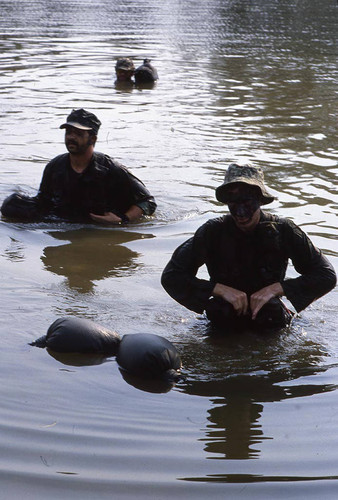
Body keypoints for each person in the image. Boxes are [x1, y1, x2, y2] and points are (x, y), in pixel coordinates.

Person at [161, 162, 336, 332]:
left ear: (260, 200)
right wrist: (218, 289)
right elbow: (171, 277)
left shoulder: (284, 230)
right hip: (223, 317)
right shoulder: (212, 232)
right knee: (221, 312)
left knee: (271, 312)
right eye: (234, 203)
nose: (241, 213)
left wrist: (276, 289)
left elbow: (326, 275)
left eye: (247, 202)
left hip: (270, 318)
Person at [1, 108, 156, 224]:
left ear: (93, 139)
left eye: (78, 134)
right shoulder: (54, 167)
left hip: (102, 229)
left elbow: (148, 201)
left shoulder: (111, 169)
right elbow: (44, 202)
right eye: (68, 132)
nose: (71, 137)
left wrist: (123, 220)